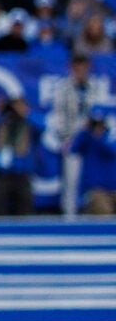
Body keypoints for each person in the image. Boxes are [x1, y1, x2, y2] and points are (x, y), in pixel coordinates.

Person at [53, 52, 94, 219]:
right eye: (77, 68)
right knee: (71, 179)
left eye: (83, 67)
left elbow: (100, 110)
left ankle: (93, 213)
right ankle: (69, 215)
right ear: (71, 68)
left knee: (94, 178)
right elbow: (59, 115)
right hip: (73, 138)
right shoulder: (63, 88)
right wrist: (66, 137)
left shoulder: (95, 86)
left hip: (92, 140)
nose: (80, 71)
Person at [0, 93, 38, 215]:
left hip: (22, 173)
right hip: (1, 173)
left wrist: (25, 113)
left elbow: (42, 126)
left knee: (25, 210)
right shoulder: (0, 121)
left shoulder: (29, 123)